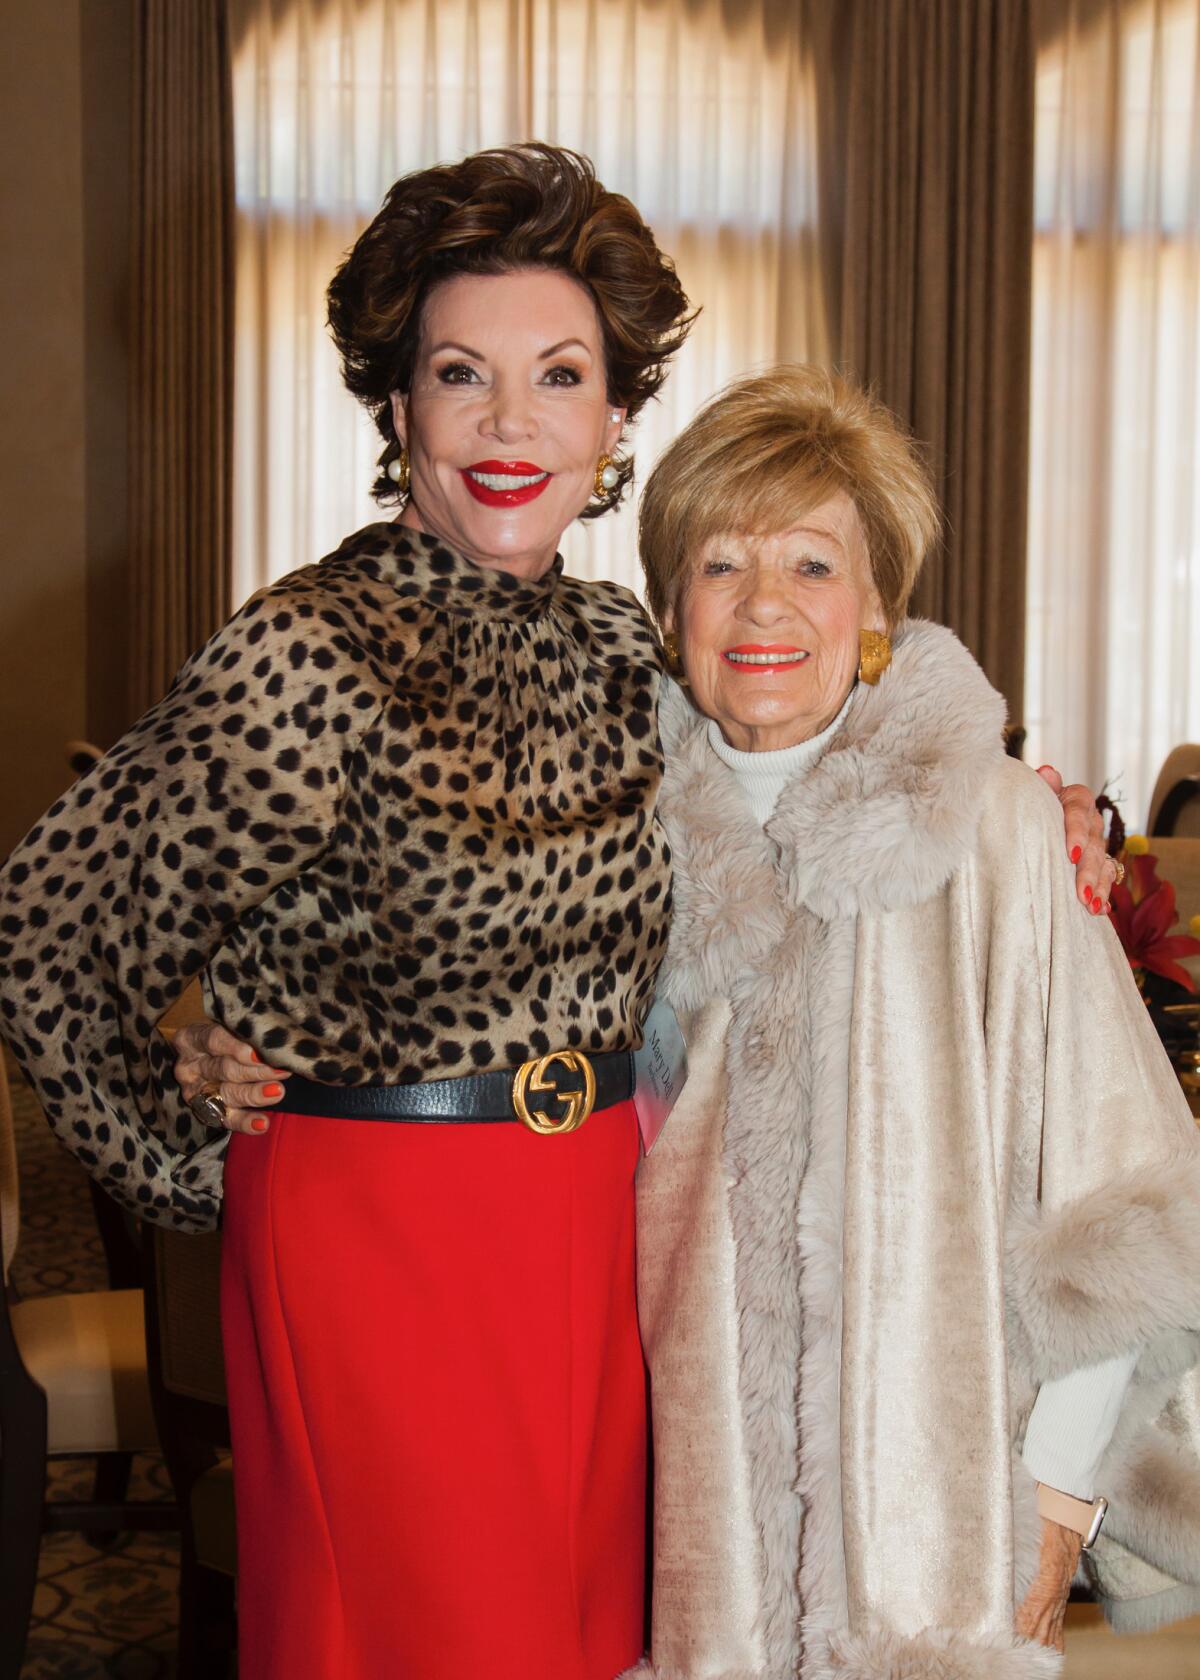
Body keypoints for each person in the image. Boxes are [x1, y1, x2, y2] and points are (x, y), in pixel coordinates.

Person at [0, 148, 1106, 1680]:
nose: (511, 425)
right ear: (400, 409)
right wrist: (184, 1141)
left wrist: (1020, 804)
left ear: (616, 420)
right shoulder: (309, 651)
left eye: (560, 377)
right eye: (462, 375)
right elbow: (49, 928)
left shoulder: (617, 643)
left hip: (611, 1227)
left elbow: (799, 745)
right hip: (386, 1239)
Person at [627, 366, 1200, 1679]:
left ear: (877, 605)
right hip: (684, 1533)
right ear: (669, 610)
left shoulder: (993, 828)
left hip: (946, 1551)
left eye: (812, 563)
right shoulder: (610, 857)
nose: (764, 603)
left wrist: (1052, 1523)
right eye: (720, 563)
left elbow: (1122, 1211)